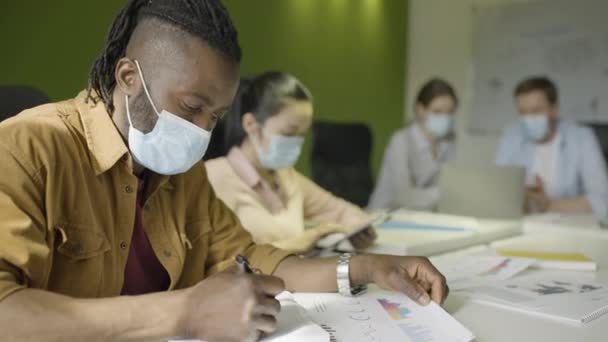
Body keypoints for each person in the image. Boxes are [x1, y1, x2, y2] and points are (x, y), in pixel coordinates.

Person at [0, 1, 448, 341]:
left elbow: (254, 258)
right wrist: (183, 312)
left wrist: (366, 268)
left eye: (215, 117)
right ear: (127, 77)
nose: (201, 132)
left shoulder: (183, 173)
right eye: (192, 107)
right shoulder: (27, 149)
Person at [205, 72, 377, 254]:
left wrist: (358, 229)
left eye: (302, 135)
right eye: (289, 133)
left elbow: (341, 210)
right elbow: (215, 258)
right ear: (250, 124)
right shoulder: (212, 178)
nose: (296, 142)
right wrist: (295, 245)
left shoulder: (287, 176)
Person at [496, 76, 608, 218]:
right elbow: (497, 192)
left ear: (555, 109)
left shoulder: (581, 138)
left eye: (536, 111)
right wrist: (521, 198)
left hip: (569, 228)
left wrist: (548, 205)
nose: (528, 119)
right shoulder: (511, 136)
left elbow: (603, 201)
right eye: (523, 112)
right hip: (524, 224)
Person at [368, 78, 458, 210]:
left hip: (421, 216)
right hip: (385, 215)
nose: (444, 118)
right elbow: (403, 196)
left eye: (449, 113)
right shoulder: (400, 141)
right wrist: (445, 193)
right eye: (437, 112)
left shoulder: (448, 143)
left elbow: (451, 184)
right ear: (420, 109)